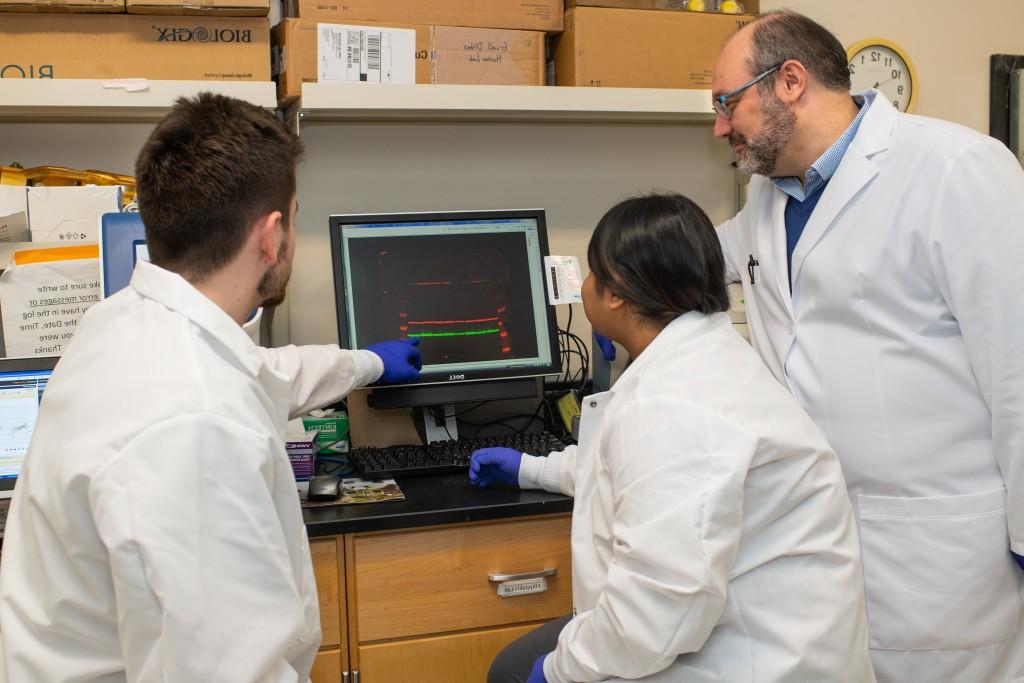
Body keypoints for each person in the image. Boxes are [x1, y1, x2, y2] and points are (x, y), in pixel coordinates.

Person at [0, 93, 422, 682]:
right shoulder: (196, 423)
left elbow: (265, 375)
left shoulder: (126, 323)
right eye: (295, 217)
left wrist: (367, 363)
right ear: (271, 235)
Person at [711, 11, 1024, 682]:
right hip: (819, 544)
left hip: (942, 557)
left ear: (788, 80)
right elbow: (695, 260)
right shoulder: (767, 199)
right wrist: (610, 280)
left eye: (726, 102)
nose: (719, 125)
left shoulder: (956, 170)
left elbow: (1019, 370)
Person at [471, 193, 874, 683]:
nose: (587, 288)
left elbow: (656, 610)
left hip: (738, 657)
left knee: (516, 671)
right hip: (728, 625)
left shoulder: (675, 403)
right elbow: (639, 476)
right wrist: (533, 468)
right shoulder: (704, 360)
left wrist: (560, 670)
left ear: (616, 292)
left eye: (593, 274)